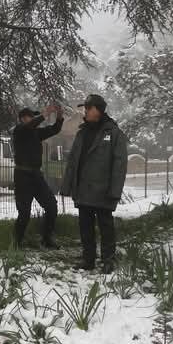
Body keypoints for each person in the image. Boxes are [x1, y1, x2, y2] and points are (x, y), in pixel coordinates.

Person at [60, 95, 128, 272]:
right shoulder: (82, 133)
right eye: (85, 108)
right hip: (83, 190)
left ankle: (108, 260)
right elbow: (73, 161)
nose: (85, 111)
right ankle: (88, 259)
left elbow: (119, 165)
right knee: (85, 227)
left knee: (106, 227)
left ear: (98, 109)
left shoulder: (113, 133)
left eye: (89, 108)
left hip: (103, 191)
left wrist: (114, 191)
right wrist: (67, 186)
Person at [11, 104, 64, 248]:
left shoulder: (36, 132)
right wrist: (44, 114)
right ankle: (16, 243)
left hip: (36, 175)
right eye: (30, 117)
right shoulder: (19, 131)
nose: (33, 119)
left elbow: (54, 129)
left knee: (51, 206)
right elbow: (28, 127)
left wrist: (59, 117)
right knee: (24, 213)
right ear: (22, 119)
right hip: (22, 176)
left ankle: (47, 238)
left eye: (33, 117)